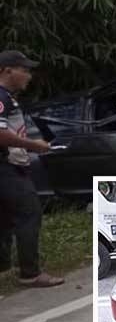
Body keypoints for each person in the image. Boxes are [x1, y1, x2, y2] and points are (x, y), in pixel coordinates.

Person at [0, 50, 64, 287]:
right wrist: (32, 145)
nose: (28, 76)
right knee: (30, 213)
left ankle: (4, 266)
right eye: (24, 70)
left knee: (4, 217)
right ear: (7, 70)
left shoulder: (8, 97)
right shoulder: (1, 97)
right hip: (6, 166)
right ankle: (30, 273)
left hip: (9, 165)